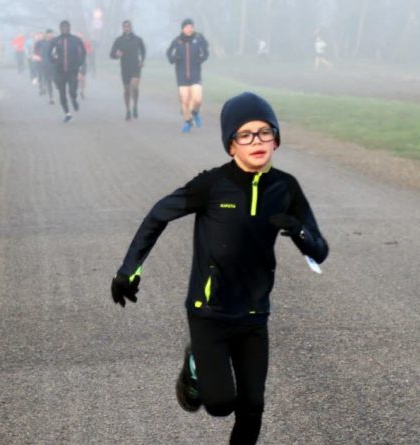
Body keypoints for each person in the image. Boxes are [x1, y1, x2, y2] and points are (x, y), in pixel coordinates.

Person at [111, 92, 329, 445]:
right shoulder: (212, 186)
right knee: (220, 404)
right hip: (208, 313)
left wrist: (298, 230)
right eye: (246, 135)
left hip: (255, 315)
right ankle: (195, 362)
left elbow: (319, 250)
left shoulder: (286, 188)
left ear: (276, 138)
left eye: (265, 132)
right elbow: (157, 216)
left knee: (253, 408)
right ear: (231, 145)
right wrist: (128, 269)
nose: (257, 141)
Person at [166, 18, 209, 133]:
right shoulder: (177, 41)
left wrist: (202, 58)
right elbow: (169, 53)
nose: (189, 29)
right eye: (187, 27)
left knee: (197, 100)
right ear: (183, 29)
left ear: (193, 28)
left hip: (195, 73)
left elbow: (206, 50)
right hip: (181, 74)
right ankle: (187, 121)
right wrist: (173, 58)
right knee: (184, 101)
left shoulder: (198, 38)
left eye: (191, 26)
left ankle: (195, 112)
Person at [48, 20, 86, 123]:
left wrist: (80, 63)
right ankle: (67, 114)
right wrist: (53, 60)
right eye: (62, 27)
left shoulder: (76, 40)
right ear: (60, 28)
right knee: (62, 93)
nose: (64, 29)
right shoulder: (55, 41)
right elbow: (49, 54)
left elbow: (83, 52)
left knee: (72, 91)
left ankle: (74, 99)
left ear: (69, 28)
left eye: (66, 27)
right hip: (59, 71)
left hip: (72, 71)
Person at [110, 20, 146, 121]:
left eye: (128, 26)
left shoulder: (137, 39)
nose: (127, 28)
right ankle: (128, 110)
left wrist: (142, 60)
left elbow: (143, 50)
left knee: (134, 87)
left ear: (131, 27)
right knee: (126, 90)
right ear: (123, 28)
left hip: (136, 66)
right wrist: (117, 55)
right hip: (125, 67)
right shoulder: (119, 40)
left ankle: (135, 105)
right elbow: (111, 54)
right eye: (125, 26)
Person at [34, 29, 55, 104]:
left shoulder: (56, 41)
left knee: (54, 80)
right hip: (44, 64)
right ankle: (51, 97)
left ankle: (47, 89)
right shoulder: (40, 43)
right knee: (48, 80)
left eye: (52, 34)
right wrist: (38, 59)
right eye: (49, 34)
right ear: (46, 34)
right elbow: (35, 52)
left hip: (54, 64)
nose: (51, 35)